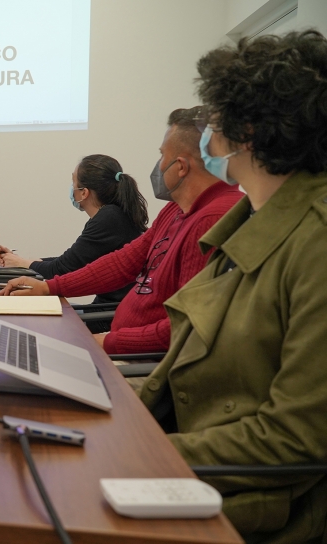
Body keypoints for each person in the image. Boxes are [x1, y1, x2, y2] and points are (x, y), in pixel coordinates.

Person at [140, 31, 327, 542]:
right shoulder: (251, 217)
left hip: (257, 510)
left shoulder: (317, 242)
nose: (207, 135)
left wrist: (131, 451)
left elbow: (295, 440)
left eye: (215, 121)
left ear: (246, 132)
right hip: (204, 468)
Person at [0, 107, 243, 355]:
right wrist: (49, 288)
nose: (158, 165)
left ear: (180, 166)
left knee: (28, 352)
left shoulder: (213, 219)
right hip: (119, 342)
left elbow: (186, 328)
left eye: (161, 156)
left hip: (143, 362)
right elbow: (122, 264)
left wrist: (103, 343)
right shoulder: (176, 210)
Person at [0, 154, 148, 304]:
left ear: (84, 192)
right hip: (108, 308)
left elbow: (62, 269)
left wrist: (21, 262)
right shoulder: (113, 214)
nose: (71, 188)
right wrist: (20, 261)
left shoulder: (109, 218)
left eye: (73, 182)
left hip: (110, 315)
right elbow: (71, 261)